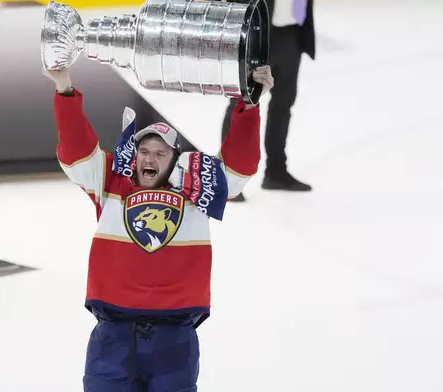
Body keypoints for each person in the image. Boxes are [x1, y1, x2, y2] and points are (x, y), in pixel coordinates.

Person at [43, 64, 273, 392]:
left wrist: (249, 105)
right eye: (144, 151)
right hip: (113, 334)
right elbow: (75, 151)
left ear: (174, 158)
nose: (150, 158)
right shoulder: (109, 179)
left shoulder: (197, 187)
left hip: (174, 337)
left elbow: (240, 166)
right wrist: (64, 88)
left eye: (160, 153)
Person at [222, 0, 316, 200]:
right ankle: (225, 177)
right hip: (258, 34)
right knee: (240, 104)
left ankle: (276, 172)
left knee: (283, 105)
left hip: (293, 33)